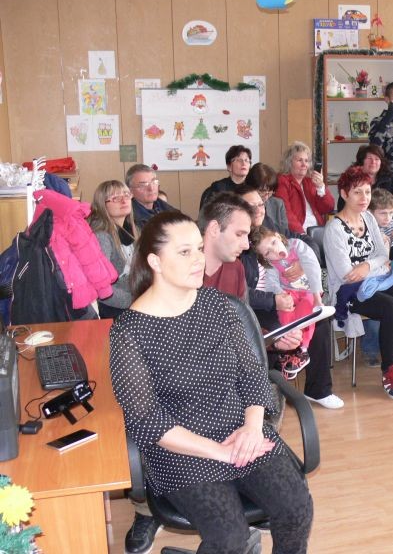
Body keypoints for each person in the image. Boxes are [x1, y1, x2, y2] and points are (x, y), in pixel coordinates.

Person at [110, 211, 312, 554]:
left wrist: (252, 428)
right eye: (184, 252)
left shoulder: (217, 305)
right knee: (229, 537)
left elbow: (251, 373)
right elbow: (147, 421)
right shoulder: (129, 331)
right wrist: (219, 451)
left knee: (296, 508)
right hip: (182, 448)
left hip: (240, 429)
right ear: (155, 262)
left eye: (199, 249)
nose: (198, 259)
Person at [237, 185, 344, 410]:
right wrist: (273, 300)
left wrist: (302, 261)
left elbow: (304, 240)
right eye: (250, 206)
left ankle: (318, 390)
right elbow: (240, 291)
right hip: (257, 305)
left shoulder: (270, 227)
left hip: (285, 295)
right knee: (281, 328)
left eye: (260, 204)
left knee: (318, 320)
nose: (258, 210)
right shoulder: (239, 240)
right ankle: (274, 391)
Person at [323, 166, 393, 399]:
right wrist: (376, 265)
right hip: (349, 292)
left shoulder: (368, 217)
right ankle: (390, 372)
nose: (364, 198)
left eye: (367, 192)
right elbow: (347, 274)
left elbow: (383, 254)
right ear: (344, 194)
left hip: (376, 281)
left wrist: (367, 266)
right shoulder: (334, 228)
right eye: (357, 192)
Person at [250, 226, 322, 378]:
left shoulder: (296, 245)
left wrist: (317, 297)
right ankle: (289, 349)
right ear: (265, 258)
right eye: (268, 252)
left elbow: (313, 267)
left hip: (310, 291)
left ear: (278, 236)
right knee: (284, 310)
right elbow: (271, 283)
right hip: (290, 292)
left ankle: (302, 350)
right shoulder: (270, 263)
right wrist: (282, 296)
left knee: (307, 310)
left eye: (274, 243)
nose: (274, 251)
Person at [88, 180, 139, 319]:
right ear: (102, 205)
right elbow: (99, 288)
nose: (124, 200)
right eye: (115, 198)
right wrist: (134, 300)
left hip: (133, 300)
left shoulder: (131, 229)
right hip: (114, 308)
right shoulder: (101, 237)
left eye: (126, 195)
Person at [198, 192, 252, 300]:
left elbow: (242, 310)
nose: (246, 246)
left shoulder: (236, 268)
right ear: (214, 229)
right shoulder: (180, 273)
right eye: (239, 234)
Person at [275, 141, 335, 235]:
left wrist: (320, 187)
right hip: (297, 234)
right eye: (300, 160)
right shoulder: (282, 182)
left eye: (306, 161)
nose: (304, 164)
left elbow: (328, 208)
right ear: (289, 162)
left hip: (318, 232)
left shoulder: (309, 181)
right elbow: (286, 214)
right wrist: (302, 235)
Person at [336, 145, 393, 211]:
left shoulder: (390, 178)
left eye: (377, 159)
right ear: (362, 161)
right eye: (369, 158)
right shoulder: (352, 179)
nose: (373, 162)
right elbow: (342, 206)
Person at [199, 145, 252, 211]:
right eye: (239, 160)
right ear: (229, 166)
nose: (244, 163)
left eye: (246, 160)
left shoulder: (254, 187)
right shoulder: (218, 189)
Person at [245, 162, 291, 235]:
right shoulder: (242, 205)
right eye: (262, 192)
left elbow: (285, 233)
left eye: (270, 192)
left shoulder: (278, 204)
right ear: (250, 187)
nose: (266, 197)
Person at [126, 164, 176, 229]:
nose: (151, 188)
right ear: (130, 190)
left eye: (154, 182)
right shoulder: (128, 220)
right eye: (143, 185)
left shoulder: (170, 210)